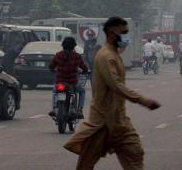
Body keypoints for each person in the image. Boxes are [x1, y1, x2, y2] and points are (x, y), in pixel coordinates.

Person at [64, 17, 161, 170]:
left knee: (135, 153)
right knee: (86, 163)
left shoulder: (114, 54)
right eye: (123, 33)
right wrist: (144, 100)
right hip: (102, 122)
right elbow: (116, 85)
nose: (126, 36)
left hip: (120, 121)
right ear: (112, 33)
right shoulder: (106, 56)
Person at [49, 37, 90, 119]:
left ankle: (54, 108)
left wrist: (53, 69)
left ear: (63, 45)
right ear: (74, 46)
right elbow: (84, 67)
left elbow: (51, 66)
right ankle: (79, 110)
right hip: (72, 83)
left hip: (60, 82)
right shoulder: (76, 56)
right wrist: (86, 71)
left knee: (55, 91)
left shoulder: (58, 55)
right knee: (82, 91)